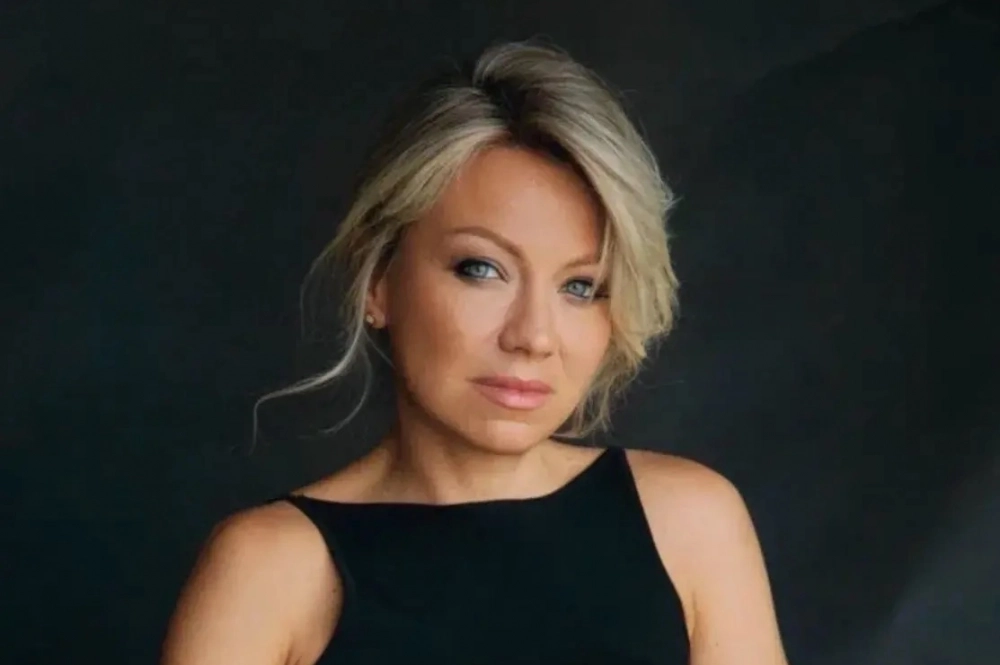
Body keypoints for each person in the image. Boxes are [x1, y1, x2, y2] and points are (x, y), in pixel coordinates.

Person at [160, 40, 788, 665]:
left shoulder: (690, 523)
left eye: (580, 287)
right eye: (481, 269)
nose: (533, 336)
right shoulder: (269, 570)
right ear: (379, 280)